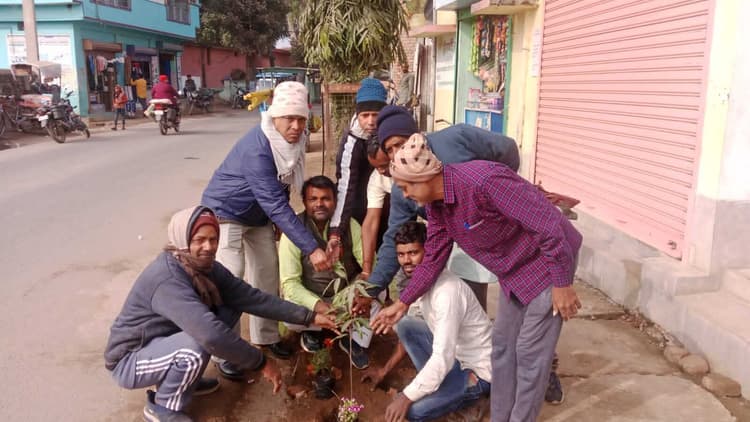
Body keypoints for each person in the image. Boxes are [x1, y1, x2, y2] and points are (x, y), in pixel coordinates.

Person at [372, 136, 583, 422]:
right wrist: (403, 302)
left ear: (424, 178)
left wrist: (562, 282)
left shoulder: (483, 181)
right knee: (503, 350)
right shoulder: (437, 207)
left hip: (546, 264)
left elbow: (548, 224)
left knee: (529, 356)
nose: (405, 195)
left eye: (405, 186)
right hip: (513, 272)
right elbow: (433, 256)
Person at [104, 206, 338, 422]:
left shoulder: (205, 267)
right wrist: (262, 362)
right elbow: (211, 336)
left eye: (213, 239)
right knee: (198, 345)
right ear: (182, 241)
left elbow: (252, 298)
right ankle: (163, 409)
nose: (208, 246)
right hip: (130, 360)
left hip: (162, 343)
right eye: (199, 240)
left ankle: (184, 383)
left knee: (230, 307)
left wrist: (310, 317)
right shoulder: (168, 279)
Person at [201, 81, 333, 378]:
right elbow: (275, 202)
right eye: (289, 119)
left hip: (257, 213)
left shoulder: (293, 143)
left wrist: (276, 223)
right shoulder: (258, 148)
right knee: (230, 278)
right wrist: (312, 248)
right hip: (226, 211)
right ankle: (226, 353)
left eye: (301, 119)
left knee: (267, 272)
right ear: (275, 117)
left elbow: (281, 186)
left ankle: (266, 337)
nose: (296, 126)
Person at [375, 221, 492, 422]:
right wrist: (384, 371)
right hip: (452, 358)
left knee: (414, 411)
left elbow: (442, 357)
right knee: (405, 325)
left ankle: (476, 398)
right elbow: (414, 340)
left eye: (413, 253)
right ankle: (437, 385)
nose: (406, 261)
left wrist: (406, 397)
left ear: (429, 253)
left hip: (476, 369)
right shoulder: (420, 285)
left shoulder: (447, 293)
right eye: (401, 254)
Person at [279, 175, 378, 369]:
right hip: (314, 298)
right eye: (313, 199)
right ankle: (313, 332)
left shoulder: (349, 225)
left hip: (346, 297)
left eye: (325, 198)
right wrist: (319, 306)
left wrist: (357, 293)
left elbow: (369, 264)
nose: (319, 204)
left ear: (335, 201)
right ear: (304, 202)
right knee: (288, 307)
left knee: (377, 294)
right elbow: (290, 283)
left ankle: (352, 339)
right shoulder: (294, 230)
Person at [327, 78, 388, 264]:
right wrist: (336, 230)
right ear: (357, 115)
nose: (371, 121)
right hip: (360, 203)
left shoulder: (394, 132)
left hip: (390, 201)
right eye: (365, 115)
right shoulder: (351, 142)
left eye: (376, 115)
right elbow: (345, 186)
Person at [360, 138, 392, 277]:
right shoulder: (377, 178)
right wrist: (367, 269)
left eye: (384, 165)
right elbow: (371, 221)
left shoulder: (418, 167)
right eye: (376, 167)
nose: (380, 171)